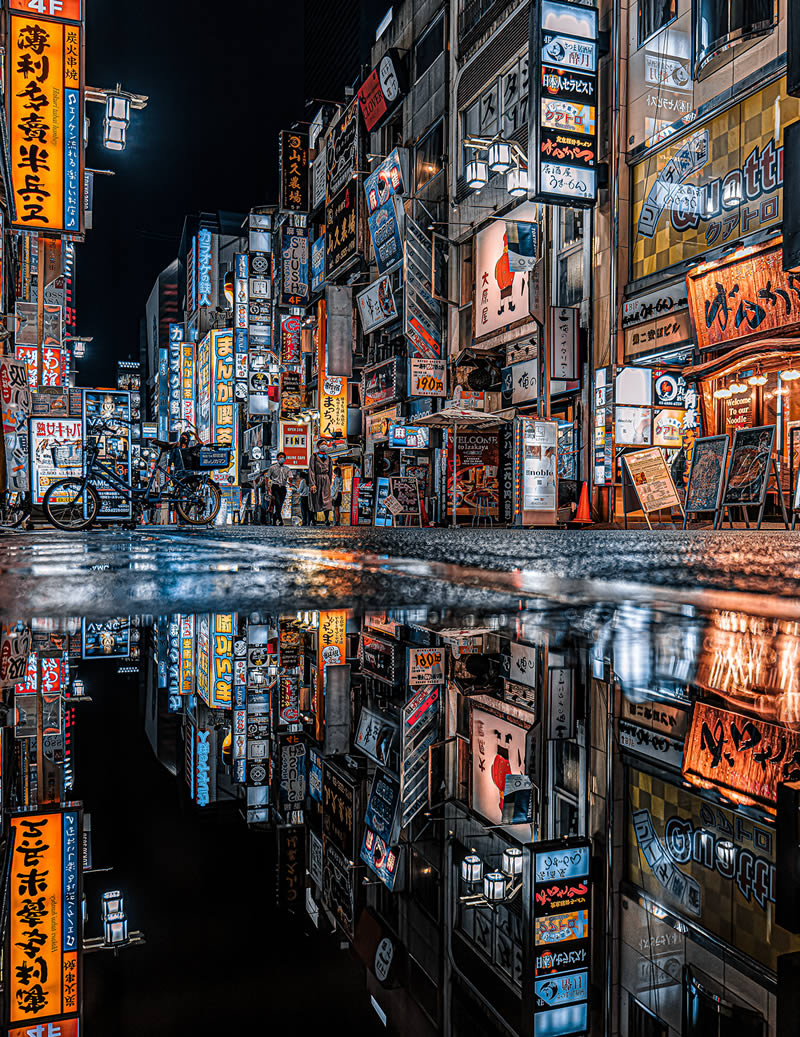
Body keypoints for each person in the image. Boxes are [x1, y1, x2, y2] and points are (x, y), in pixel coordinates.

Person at [309, 443, 333, 526]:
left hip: (326, 480)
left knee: (326, 500)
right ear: (318, 446)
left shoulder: (329, 458)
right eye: (323, 444)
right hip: (317, 479)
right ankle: (313, 519)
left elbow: (330, 471)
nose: (324, 446)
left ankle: (327, 519)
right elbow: (311, 470)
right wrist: (312, 483)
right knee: (315, 498)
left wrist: (329, 482)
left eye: (326, 444)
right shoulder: (314, 457)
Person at [264, 451, 291, 526]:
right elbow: (267, 477)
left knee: (280, 504)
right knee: (277, 502)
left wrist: (290, 480)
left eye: (283, 458)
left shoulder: (287, 468)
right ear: (277, 458)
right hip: (275, 487)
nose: (282, 459)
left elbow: (290, 477)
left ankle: (275, 517)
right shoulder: (272, 468)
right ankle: (280, 520)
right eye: (280, 457)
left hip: (283, 487)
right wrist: (268, 488)